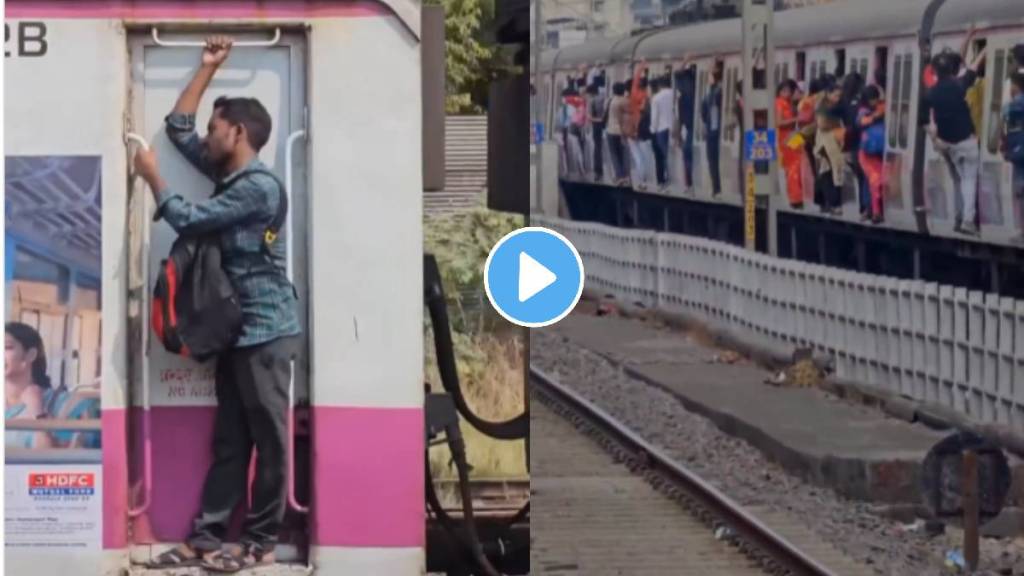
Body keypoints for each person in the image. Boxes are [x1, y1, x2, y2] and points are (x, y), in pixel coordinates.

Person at [134, 35, 301, 572]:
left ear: (239, 133)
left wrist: (154, 179)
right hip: (239, 331)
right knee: (231, 440)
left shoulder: (258, 188)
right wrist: (209, 67)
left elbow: (191, 218)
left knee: (268, 443)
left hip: (268, 331)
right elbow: (179, 128)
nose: (206, 135)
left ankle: (259, 543)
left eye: (215, 127)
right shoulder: (230, 176)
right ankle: (205, 539)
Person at [921, 34, 986, 235]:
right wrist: (984, 49)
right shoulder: (959, 85)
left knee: (958, 178)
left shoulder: (930, 92)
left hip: (945, 143)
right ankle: (967, 220)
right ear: (952, 70)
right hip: (966, 141)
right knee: (968, 179)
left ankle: (958, 217)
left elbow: (922, 121)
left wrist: (934, 138)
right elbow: (973, 67)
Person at [5, 322, 58, 450]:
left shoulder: (60, 402)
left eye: (7, 347)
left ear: (30, 355)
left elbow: (51, 462)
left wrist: (37, 413)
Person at [839, 73, 869, 220]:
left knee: (859, 175)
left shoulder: (843, 100)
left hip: (849, 144)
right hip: (861, 143)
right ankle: (865, 206)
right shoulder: (862, 102)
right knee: (865, 176)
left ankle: (863, 207)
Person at [814, 77, 845, 215]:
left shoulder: (832, 106)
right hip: (825, 144)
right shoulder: (824, 107)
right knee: (829, 173)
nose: (838, 98)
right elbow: (821, 124)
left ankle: (824, 202)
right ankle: (833, 203)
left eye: (840, 96)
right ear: (828, 94)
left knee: (826, 172)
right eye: (836, 95)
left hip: (831, 143)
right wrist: (838, 126)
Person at [858, 85, 887, 223]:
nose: (874, 102)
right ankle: (873, 211)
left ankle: (874, 210)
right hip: (867, 153)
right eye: (871, 99)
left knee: (876, 181)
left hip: (881, 151)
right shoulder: (863, 111)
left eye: (876, 98)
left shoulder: (882, 106)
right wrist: (876, 115)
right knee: (874, 180)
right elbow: (861, 122)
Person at [1003, 72, 1024, 244]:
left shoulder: (1017, 104)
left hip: (1020, 157)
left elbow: (1004, 113)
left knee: (1020, 193)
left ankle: (1022, 231)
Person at [776, 79, 803, 208]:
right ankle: (794, 199)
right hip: (785, 139)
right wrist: (796, 119)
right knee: (793, 167)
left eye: (788, 91)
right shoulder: (779, 104)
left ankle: (797, 197)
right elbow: (779, 122)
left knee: (798, 164)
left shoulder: (789, 104)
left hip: (792, 137)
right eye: (784, 90)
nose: (786, 93)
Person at [702, 63, 724, 196]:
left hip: (713, 131)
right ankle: (716, 187)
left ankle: (716, 187)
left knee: (712, 159)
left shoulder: (714, 93)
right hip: (714, 129)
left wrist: (709, 128)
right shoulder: (716, 91)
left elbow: (707, 111)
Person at [675, 64, 697, 193]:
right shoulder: (691, 95)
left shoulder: (682, 98)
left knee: (686, 154)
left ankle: (688, 184)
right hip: (689, 128)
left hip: (688, 128)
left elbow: (680, 117)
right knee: (687, 154)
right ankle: (689, 184)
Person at [651, 77, 674, 191]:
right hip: (674, 127)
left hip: (661, 129)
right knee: (671, 155)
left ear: (659, 86)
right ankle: (673, 178)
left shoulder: (656, 98)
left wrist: (653, 130)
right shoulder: (676, 94)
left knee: (662, 156)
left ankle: (663, 180)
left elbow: (655, 117)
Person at [606, 81, 629, 186]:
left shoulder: (611, 101)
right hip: (622, 130)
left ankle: (619, 176)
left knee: (614, 154)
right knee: (622, 153)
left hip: (612, 130)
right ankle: (625, 175)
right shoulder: (626, 101)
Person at [587, 83, 607, 182]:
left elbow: (590, 117)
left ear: (591, 93)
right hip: (608, 125)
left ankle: (598, 171)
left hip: (597, 126)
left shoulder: (591, 100)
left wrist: (598, 120)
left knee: (597, 149)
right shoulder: (605, 98)